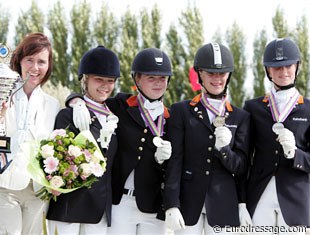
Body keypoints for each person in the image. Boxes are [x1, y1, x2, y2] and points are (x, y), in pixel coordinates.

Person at [68, 47, 173, 234]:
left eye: (162, 78)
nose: (158, 83)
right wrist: (76, 101)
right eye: (151, 78)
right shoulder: (120, 105)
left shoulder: (171, 119)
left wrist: (161, 161)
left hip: (153, 205)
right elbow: (94, 97)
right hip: (120, 203)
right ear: (137, 79)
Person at [163, 43, 252, 235]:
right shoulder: (181, 111)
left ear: (228, 76)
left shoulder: (240, 117)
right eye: (210, 73)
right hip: (187, 203)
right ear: (199, 74)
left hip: (224, 204)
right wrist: (171, 203)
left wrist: (224, 151)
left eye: (221, 74)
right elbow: (175, 160)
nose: (217, 79)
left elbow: (241, 166)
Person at [46, 45, 120, 235]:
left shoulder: (116, 113)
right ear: (85, 80)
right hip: (69, 205)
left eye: (110, 81)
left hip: (100, 207)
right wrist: (76, 101)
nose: (105, 86)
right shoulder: (69, 115)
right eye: (98, 79)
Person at [244, 38, 310, 234]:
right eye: (276, 67)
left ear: (297, 66)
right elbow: (245, 157)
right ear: (268, 70)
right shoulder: (253, 108)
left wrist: (294, 153)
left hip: (296, 200)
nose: (283, 72)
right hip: (259, 195)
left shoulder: (309, 110)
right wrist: (241, 202)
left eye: (288, 65)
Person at [0, 33, 60, 234]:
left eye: (41, 62)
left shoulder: (53, 105)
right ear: (19, 61)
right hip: (5, 187)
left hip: (36, 191)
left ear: (49, 65)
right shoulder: (4, 93)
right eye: (30, 60)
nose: (35, 68)